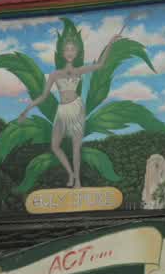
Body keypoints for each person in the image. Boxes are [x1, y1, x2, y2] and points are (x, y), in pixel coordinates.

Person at [18, 32, 118, 188]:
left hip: (76, 108)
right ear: (63, 54)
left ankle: (77, 179)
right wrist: (26, 110)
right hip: (62, 110)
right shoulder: (54, 74)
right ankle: (70, 173)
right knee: (55, 145)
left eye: (72, 50)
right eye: (67, 50)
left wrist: (110, 42)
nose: (70, 52)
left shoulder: (79, 71)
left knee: (76, 147)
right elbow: (43, 96)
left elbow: (100, 65)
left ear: (76, 53)